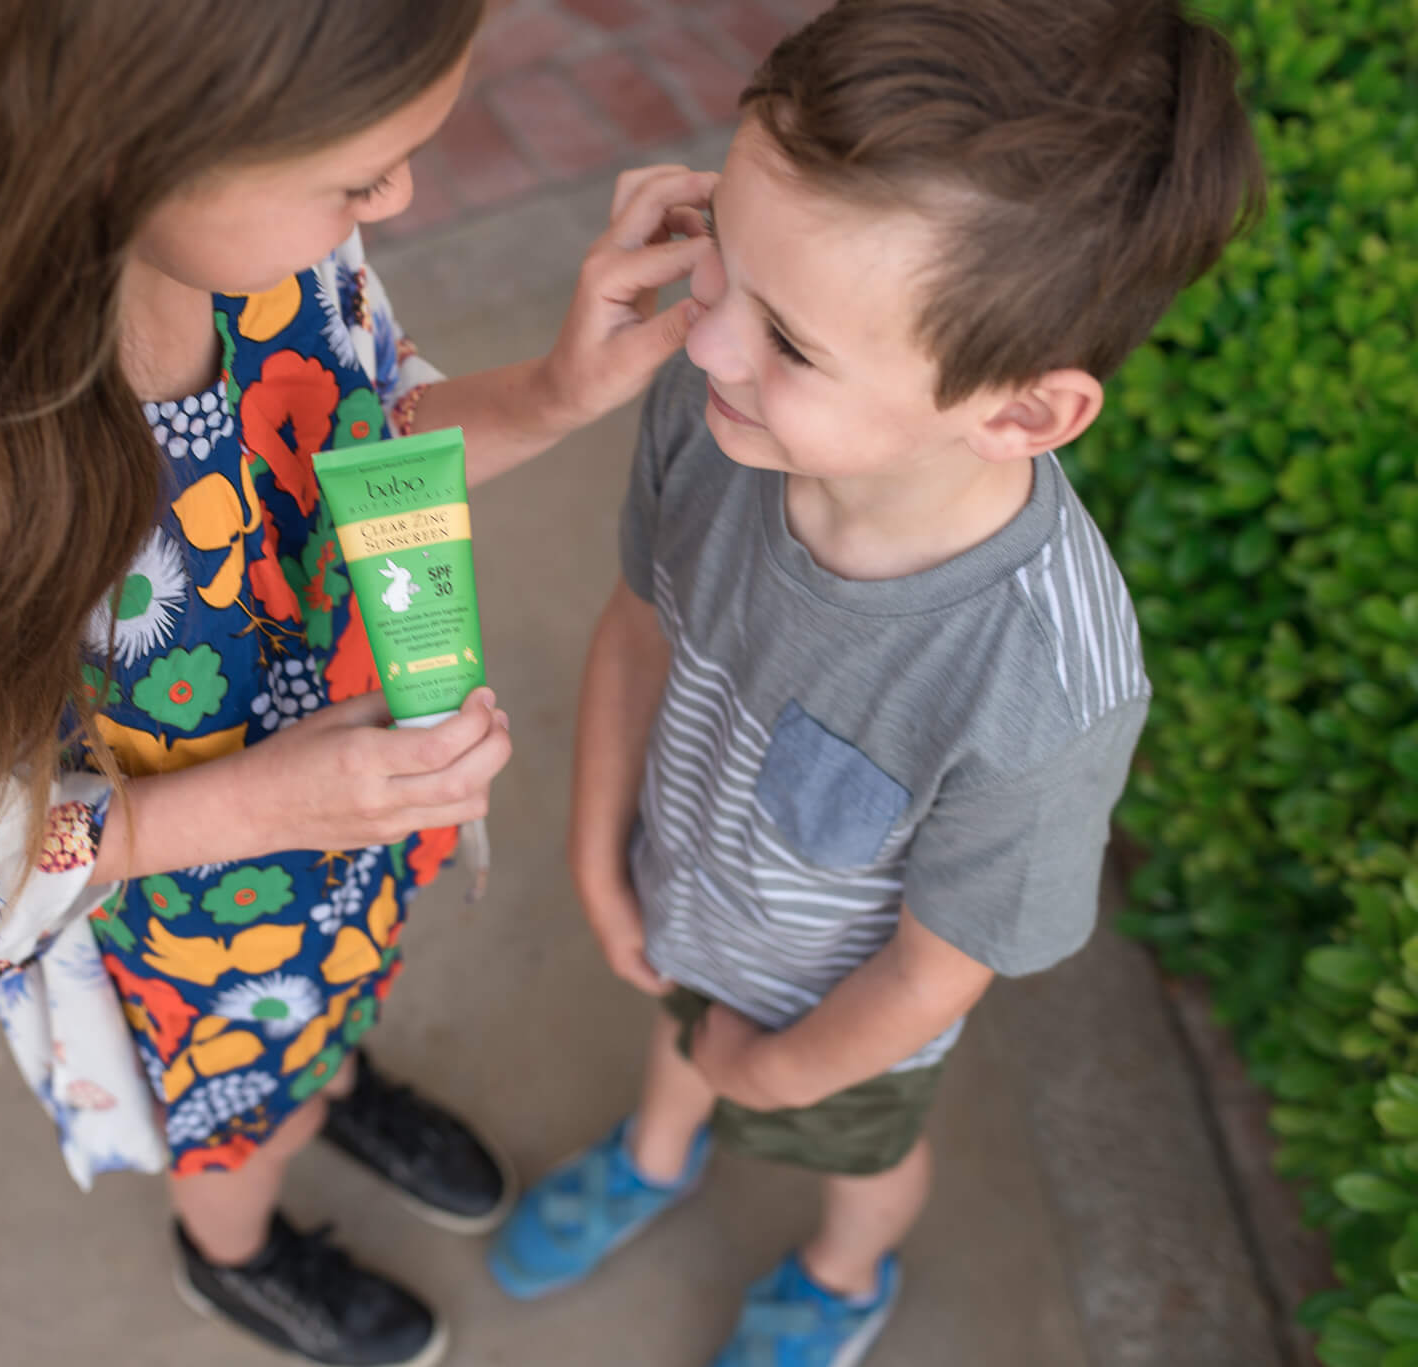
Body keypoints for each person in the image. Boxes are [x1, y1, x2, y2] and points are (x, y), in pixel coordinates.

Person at [0, 3, 714, 1364]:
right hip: (184, 934)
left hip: (342, 827)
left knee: (329, 1011)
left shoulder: (270, 247)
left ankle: (331, 1076)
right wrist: (243, 812)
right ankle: (239, 1252)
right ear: (119, 157)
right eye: (356, 177)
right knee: (237, 1117)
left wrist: (555, 390)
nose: (396, 200)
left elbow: (365, 447)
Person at [487, 1, 1263, 1363]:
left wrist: (770, 1068)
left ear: (1020, 411)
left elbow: (931, 972)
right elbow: (637, 627)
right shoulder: (715, 411)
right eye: (721, 251)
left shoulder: (1044, 680)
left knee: (854, 1158)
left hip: (835, 1026)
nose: (708, 339)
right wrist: (600, 855)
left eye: (792, 341)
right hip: (686, 895)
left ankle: (846, 1276)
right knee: (676, 1039)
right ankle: (658, 1154)